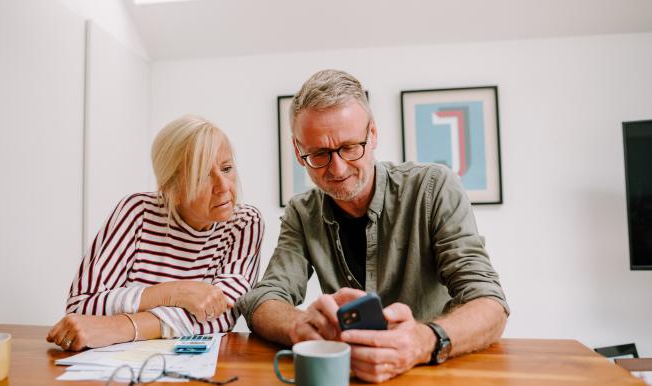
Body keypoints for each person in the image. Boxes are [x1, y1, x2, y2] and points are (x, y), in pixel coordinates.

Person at [237, 69, 509, 383]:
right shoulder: (302, 212)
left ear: (374, 134)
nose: (337, 169)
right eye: (320, 154)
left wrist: (421, 342)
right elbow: (263, 299)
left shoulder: (433, 187)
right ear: (299, 152)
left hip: (432, 371)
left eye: (351, 147)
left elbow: (490, 304)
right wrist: (299, 325)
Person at [47, 115, 263, 351]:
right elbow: (81, 308)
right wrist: (174, 292)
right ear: (171, 189)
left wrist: (122, 327)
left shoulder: (244, 223)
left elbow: (222, 314)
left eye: (227, 168)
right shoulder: (137, 212)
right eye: (201, 176)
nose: (223, 186)